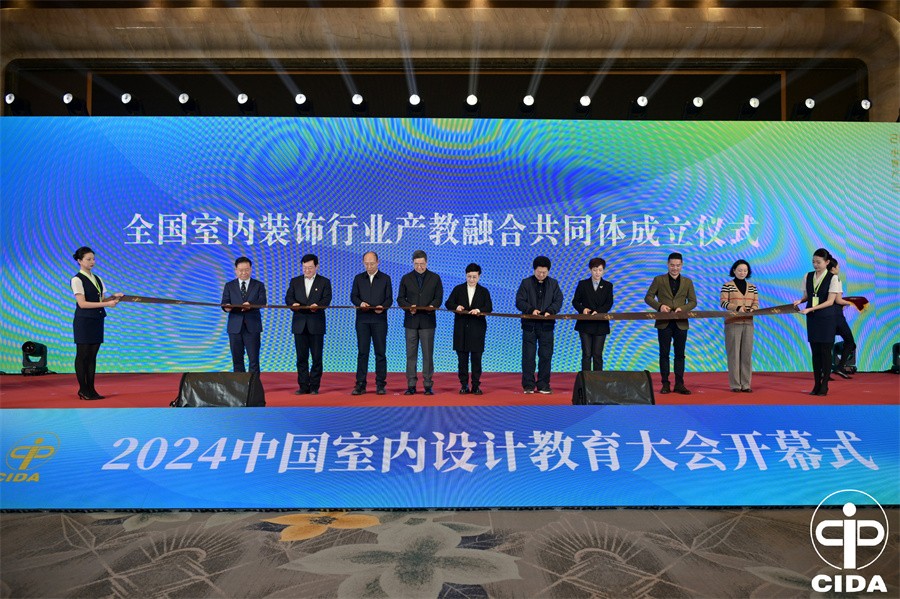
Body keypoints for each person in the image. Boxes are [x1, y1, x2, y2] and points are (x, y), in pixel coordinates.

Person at [70, 246, 123, 400]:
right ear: (79, 261)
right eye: (88, 259)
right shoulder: (77, 279)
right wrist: (107, 304)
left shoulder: (98, 278)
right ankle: (83, 389)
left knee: (92, 356)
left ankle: (91, 389)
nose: (92, 262)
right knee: (83, 355)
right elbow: (82, 304)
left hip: (97, 319)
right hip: (84, 321)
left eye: (93, 259)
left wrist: (114, 297)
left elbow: (101, 300)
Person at [644, 252, 697, 395]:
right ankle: (665, 384)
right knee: (664, 354)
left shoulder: (687, 282)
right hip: (664, 322)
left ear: (682, 265)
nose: (675, 268)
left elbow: (693, 301)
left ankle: (679, 384)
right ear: (667, 265)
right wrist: (660, 306)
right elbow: (648, 297)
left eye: (678, 265)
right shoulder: (658, 279)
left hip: (681, 322)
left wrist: (683, 309)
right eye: (672, 265)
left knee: (680, 354)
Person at [793, 248, 840, 396]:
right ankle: (816, 384)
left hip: (826, 318)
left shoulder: (833, 278)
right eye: (813, 262)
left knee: (826, 352)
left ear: (827, 262)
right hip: (813, 318)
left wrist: (811, 308)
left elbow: (830, 301)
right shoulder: (808, 276)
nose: (815, 265)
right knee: (815, 352)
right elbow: (808, 296)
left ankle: (825, 384)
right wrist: (800, 301)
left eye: (818, 262)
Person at [397, 250, 444, 395]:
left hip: (427, 321)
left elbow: (438, 298)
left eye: (422, 264)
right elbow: (400, 298)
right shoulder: (406, 278)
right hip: (411, 322)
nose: (419, 267)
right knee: (411, 355)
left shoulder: (435, 278)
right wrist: (408, 307)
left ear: (427, 262)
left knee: (427, 355)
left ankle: (428, 385)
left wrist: (432, 306)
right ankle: (411, 384)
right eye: (416, 264)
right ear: (412, 263)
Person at [285, 253, 332, 395]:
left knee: (317, 357)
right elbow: (288, 297)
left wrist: (318, 305)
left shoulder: (324, 282)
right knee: (301, 358)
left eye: (310, 267)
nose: (307, 270)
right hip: (299, 324)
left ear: (317, 266)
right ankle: (303, 386)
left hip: (316, 323)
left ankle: (314, 386)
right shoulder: (295, 281)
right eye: (304, 268)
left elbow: (327, 299)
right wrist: (293, 304)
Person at [515, 256, 563, 394]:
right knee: (528, 356)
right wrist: (531, 310)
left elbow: (558, 301)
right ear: (534, 270)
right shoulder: (526, 283)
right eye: (539, 272)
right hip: (529, 326)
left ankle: (543, 384)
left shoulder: (553, 284)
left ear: (548, 271)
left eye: (544, 272)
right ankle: (528, 385)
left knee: (546, 356)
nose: (541, 275)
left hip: (547, 326)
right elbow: (519, 301)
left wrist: (551, 311)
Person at [445, 263, 493, 395]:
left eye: (474, 277)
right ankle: (464, 385)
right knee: (462, 360)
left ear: (479, 276)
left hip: (477, 330)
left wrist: (479, 310)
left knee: (476, 359)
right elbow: (448, 303)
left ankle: (476, 386)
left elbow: (489, 307)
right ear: (465, 275)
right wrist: (456, 307)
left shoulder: (484, 291)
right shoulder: (458, 289)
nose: (471, 279)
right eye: (469, 276)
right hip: (461, 329)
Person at [350, 251, 393, 395]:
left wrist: (383, 307)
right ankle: (360, 384)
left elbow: (389, 299)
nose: (369, 266)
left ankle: (380, 384)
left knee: (380, 353)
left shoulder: (385, 278)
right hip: (362, 320)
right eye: (366, 264)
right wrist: (360, 303)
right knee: (363, 353)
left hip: (379, 320)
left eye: (372, 263)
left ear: (378, 262)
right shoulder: (358, 278)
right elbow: (353, 296)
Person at [719, 259, 760, 393]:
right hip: (733, 323)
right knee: (734, 355)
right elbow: (723, 303)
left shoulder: (752, 287)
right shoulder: (727, 286)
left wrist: (753, 309)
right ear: (734, 270)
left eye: (745, 270)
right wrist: (737, 308)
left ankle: (746, 384)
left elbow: (756, 303)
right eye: (740, 270)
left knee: (747, 354)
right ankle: (735, 384)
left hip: (748, 322)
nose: (742, 273)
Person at [221, 256, 267, 373]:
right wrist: (226, 307)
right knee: (237, 360)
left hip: (252, 326)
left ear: (251, 269)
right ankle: (239, 383)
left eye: (246, 270)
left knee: (253, 360)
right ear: (236, 270)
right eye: (241, 270)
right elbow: (224, 302)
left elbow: (262, 301)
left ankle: (253, 383)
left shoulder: (258, 285)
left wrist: (250, 304)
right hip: (235, 327)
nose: (244, 273)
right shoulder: (229, 285)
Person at [571, 257, 614, 372]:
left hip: (601, 324)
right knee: (586, 354)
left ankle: (597, 380)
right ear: (590, 270)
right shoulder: (582, 284)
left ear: (603, 270)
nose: (597, 273)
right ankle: (585, 379)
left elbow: (609, 303)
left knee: (597, 355)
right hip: (585, 324)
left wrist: (599, 311)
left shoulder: (608, 285)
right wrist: (583, 309)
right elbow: (575, 301)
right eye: (595, 270)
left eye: (600, 270)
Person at [828, 258, 857, 379]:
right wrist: (852, 302)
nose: (839, 268)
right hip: (837, 317)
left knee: (827, 345)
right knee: (850, 342)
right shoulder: (835, 279)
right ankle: (840, 367)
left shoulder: (822, 279)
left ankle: (825, 372)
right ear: (833, 268)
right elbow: (838, 300)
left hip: (826, 316)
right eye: (838, 266)